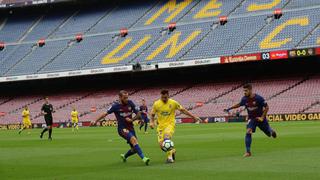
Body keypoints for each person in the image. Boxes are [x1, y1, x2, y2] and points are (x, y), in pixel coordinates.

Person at [91, 90, 150, 165]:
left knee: (134, 149)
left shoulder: (130, 103)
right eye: (125, 98)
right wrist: (95, 120)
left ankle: (124, 156)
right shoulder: (115, 106)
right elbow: (105, 114)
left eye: (127, 97)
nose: (126, 99)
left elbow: (138, 113)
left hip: (131, 128)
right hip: (122, 129)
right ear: (120, 97)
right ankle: (144, 158)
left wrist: (134, 119)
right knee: (133, 139)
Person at [224, 84, 277, 157]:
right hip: (252, 119)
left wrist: (262, 117)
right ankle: (248, 152)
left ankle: (272, 131)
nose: (244, 92)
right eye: (244, 91)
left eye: (246, 91)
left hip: (260, 118)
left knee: (268, 133)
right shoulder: (244, 99)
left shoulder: (259, 98)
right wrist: (229, 108)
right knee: (248, 131)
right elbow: (239, 104)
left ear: (250, 90)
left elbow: (267, 107)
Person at [150, 89, 202, 163]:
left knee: (166, 137)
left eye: (165, 97)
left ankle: (170, 158)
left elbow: (183, 110)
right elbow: (152, 114)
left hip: (170, 124)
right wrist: (151, 122)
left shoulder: (173, 103)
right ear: (161, 96)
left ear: (168, 96)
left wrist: (193, 117)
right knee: (162, 146)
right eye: (162, 97)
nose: (164, 99)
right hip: (161, 126)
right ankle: (172, 151)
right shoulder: (156, 104)